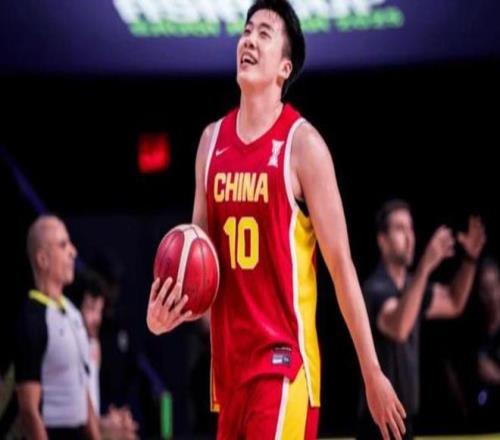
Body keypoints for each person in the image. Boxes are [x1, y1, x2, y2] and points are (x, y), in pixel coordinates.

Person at [147, 1, 406, 439]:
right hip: (230, 375)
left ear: (285, 68)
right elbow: (201, 272)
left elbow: (341, 266)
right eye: (247, 31)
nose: (248, 40)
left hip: (285, 368)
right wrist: (168, 314)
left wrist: (372, 370)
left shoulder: (303, 146)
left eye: (264, 34)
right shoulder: (210, 142)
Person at [358, 199, 486, 439]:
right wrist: (426, 265)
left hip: (406, 420)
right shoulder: (375, 288)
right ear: (382, 241)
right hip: (378, 423)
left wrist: (470, 259)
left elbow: (454, 301)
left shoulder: (412, 286)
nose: (409, 237)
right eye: (399, 229)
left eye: (410, 228)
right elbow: (399, 328)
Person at [15, 215, 100, 439]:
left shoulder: (73, 313)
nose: (73, 251)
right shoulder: (32, 320)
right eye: (63, 245)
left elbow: (83, 390)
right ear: (43, 259)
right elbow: (28, 409)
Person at [72, 269, 139, 440]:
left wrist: (114, 418)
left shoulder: (95, 344)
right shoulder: (68, 347)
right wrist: (104, 425)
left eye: (99, 311)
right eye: (91, 309)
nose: (97, 319)